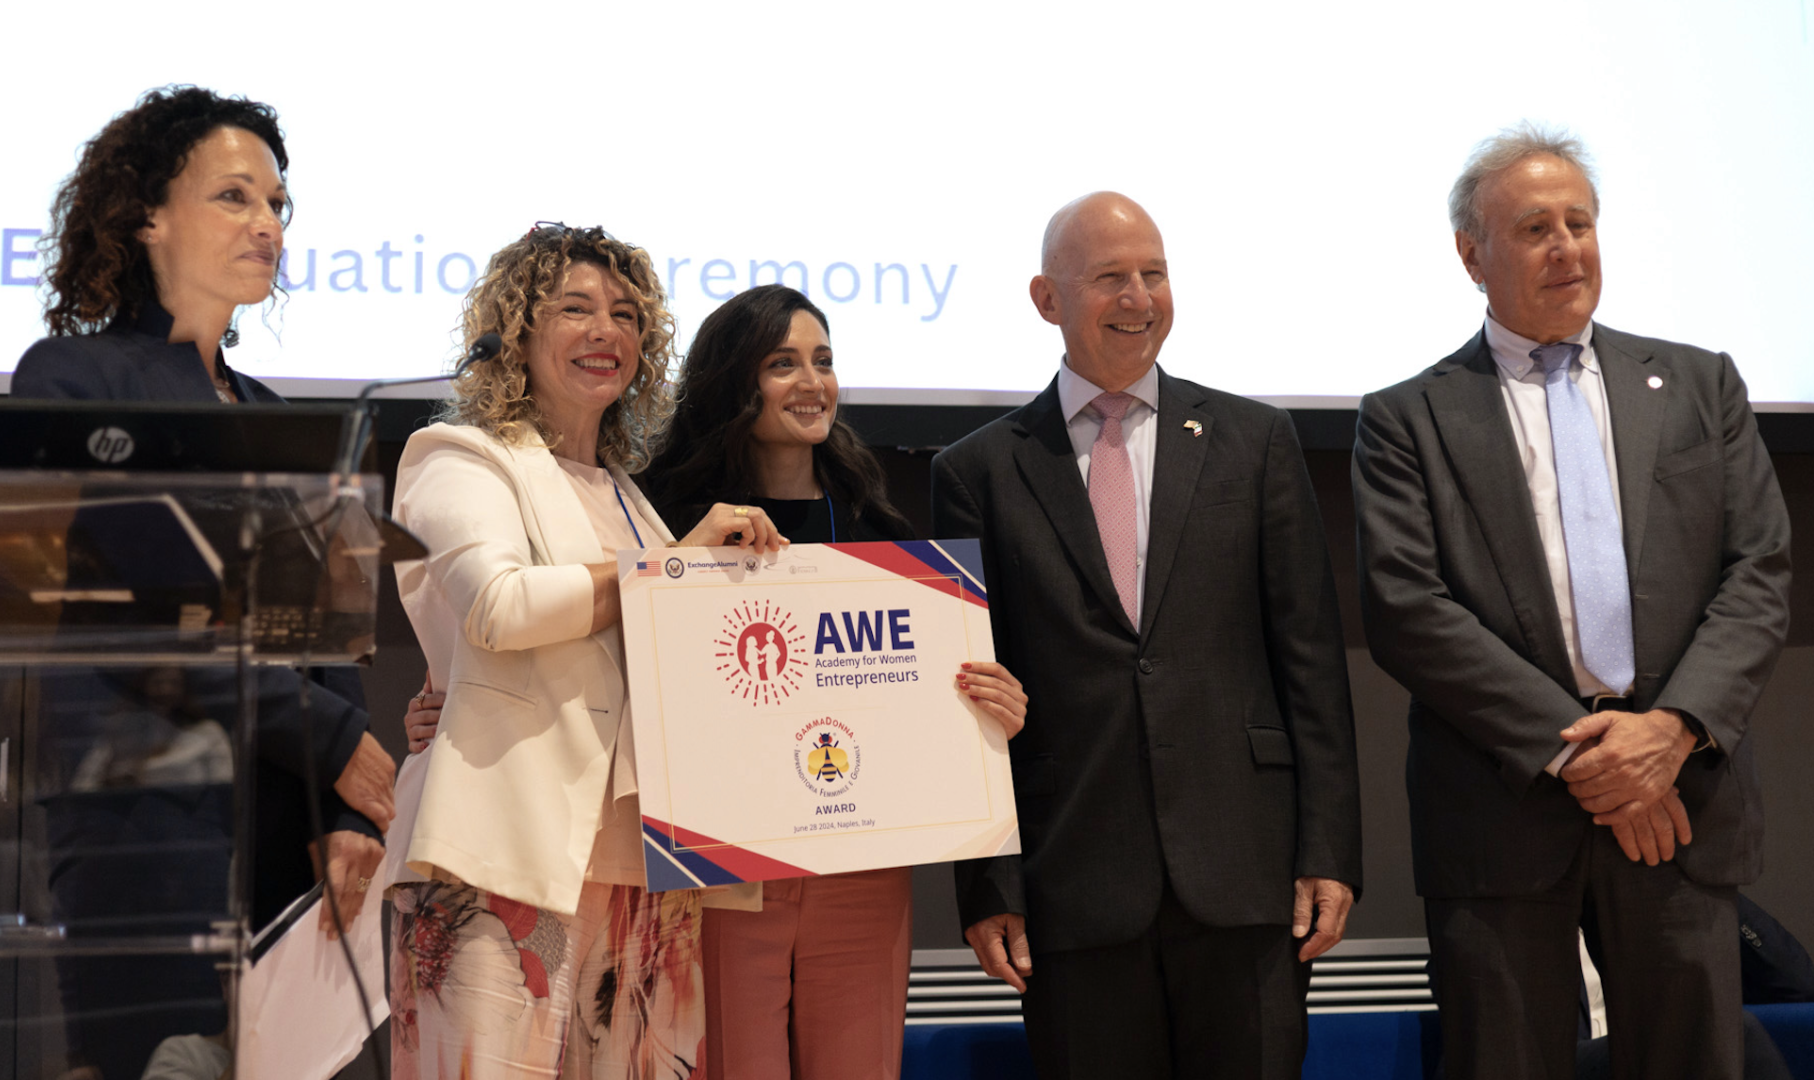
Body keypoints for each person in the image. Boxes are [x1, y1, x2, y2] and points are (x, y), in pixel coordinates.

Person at [1352, 123, 1791, 1080]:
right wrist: (1588, 757)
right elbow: (1407, 608)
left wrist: (1669, 733)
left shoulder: (1699, 384)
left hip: (1678, 799)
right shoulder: (1407, 418)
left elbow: (1758, 569)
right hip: (1502, 812)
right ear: (1472, 255)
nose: (1566, 248)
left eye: (1579, 223)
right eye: (1534, 229)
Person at [929, 192, 1363, 1078]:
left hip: (1247, 878)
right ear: (1047, 299)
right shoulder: (976, 472)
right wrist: (989, 882)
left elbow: (1311, 665)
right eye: (1109, 278)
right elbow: (972, 699)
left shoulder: (1256, 440)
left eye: (1153, 275)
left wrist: (1329, 851)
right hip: (1072, 884)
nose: (1138, 298)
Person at [8, 85, 394, 1080]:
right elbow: (136, 617)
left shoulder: (280, 417)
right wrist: (332, 742)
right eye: (234, 197)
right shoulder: (74, 380)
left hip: (289, 845)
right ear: (148, 216)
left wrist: (348, 817)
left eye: (277, 204)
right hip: (147, 824)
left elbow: (328, 634)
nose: (267, 224)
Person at [386, 223, 779, 1078]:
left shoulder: (628, 497)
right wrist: (673, 569)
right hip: (504, 858)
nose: (607, 331)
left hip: (647, 865)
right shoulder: (460, 457)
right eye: (575, 309)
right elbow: (497, 606)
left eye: (627, 315)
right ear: (517, 332)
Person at [644, 284, 1028, 1080]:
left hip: (863, 870)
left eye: (822, 361)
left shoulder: (883, 533)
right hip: (726, 868)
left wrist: (989, 712)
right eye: (783, 364)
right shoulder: (667, 520)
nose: (812, 382)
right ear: (733, 381)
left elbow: (922, 706)